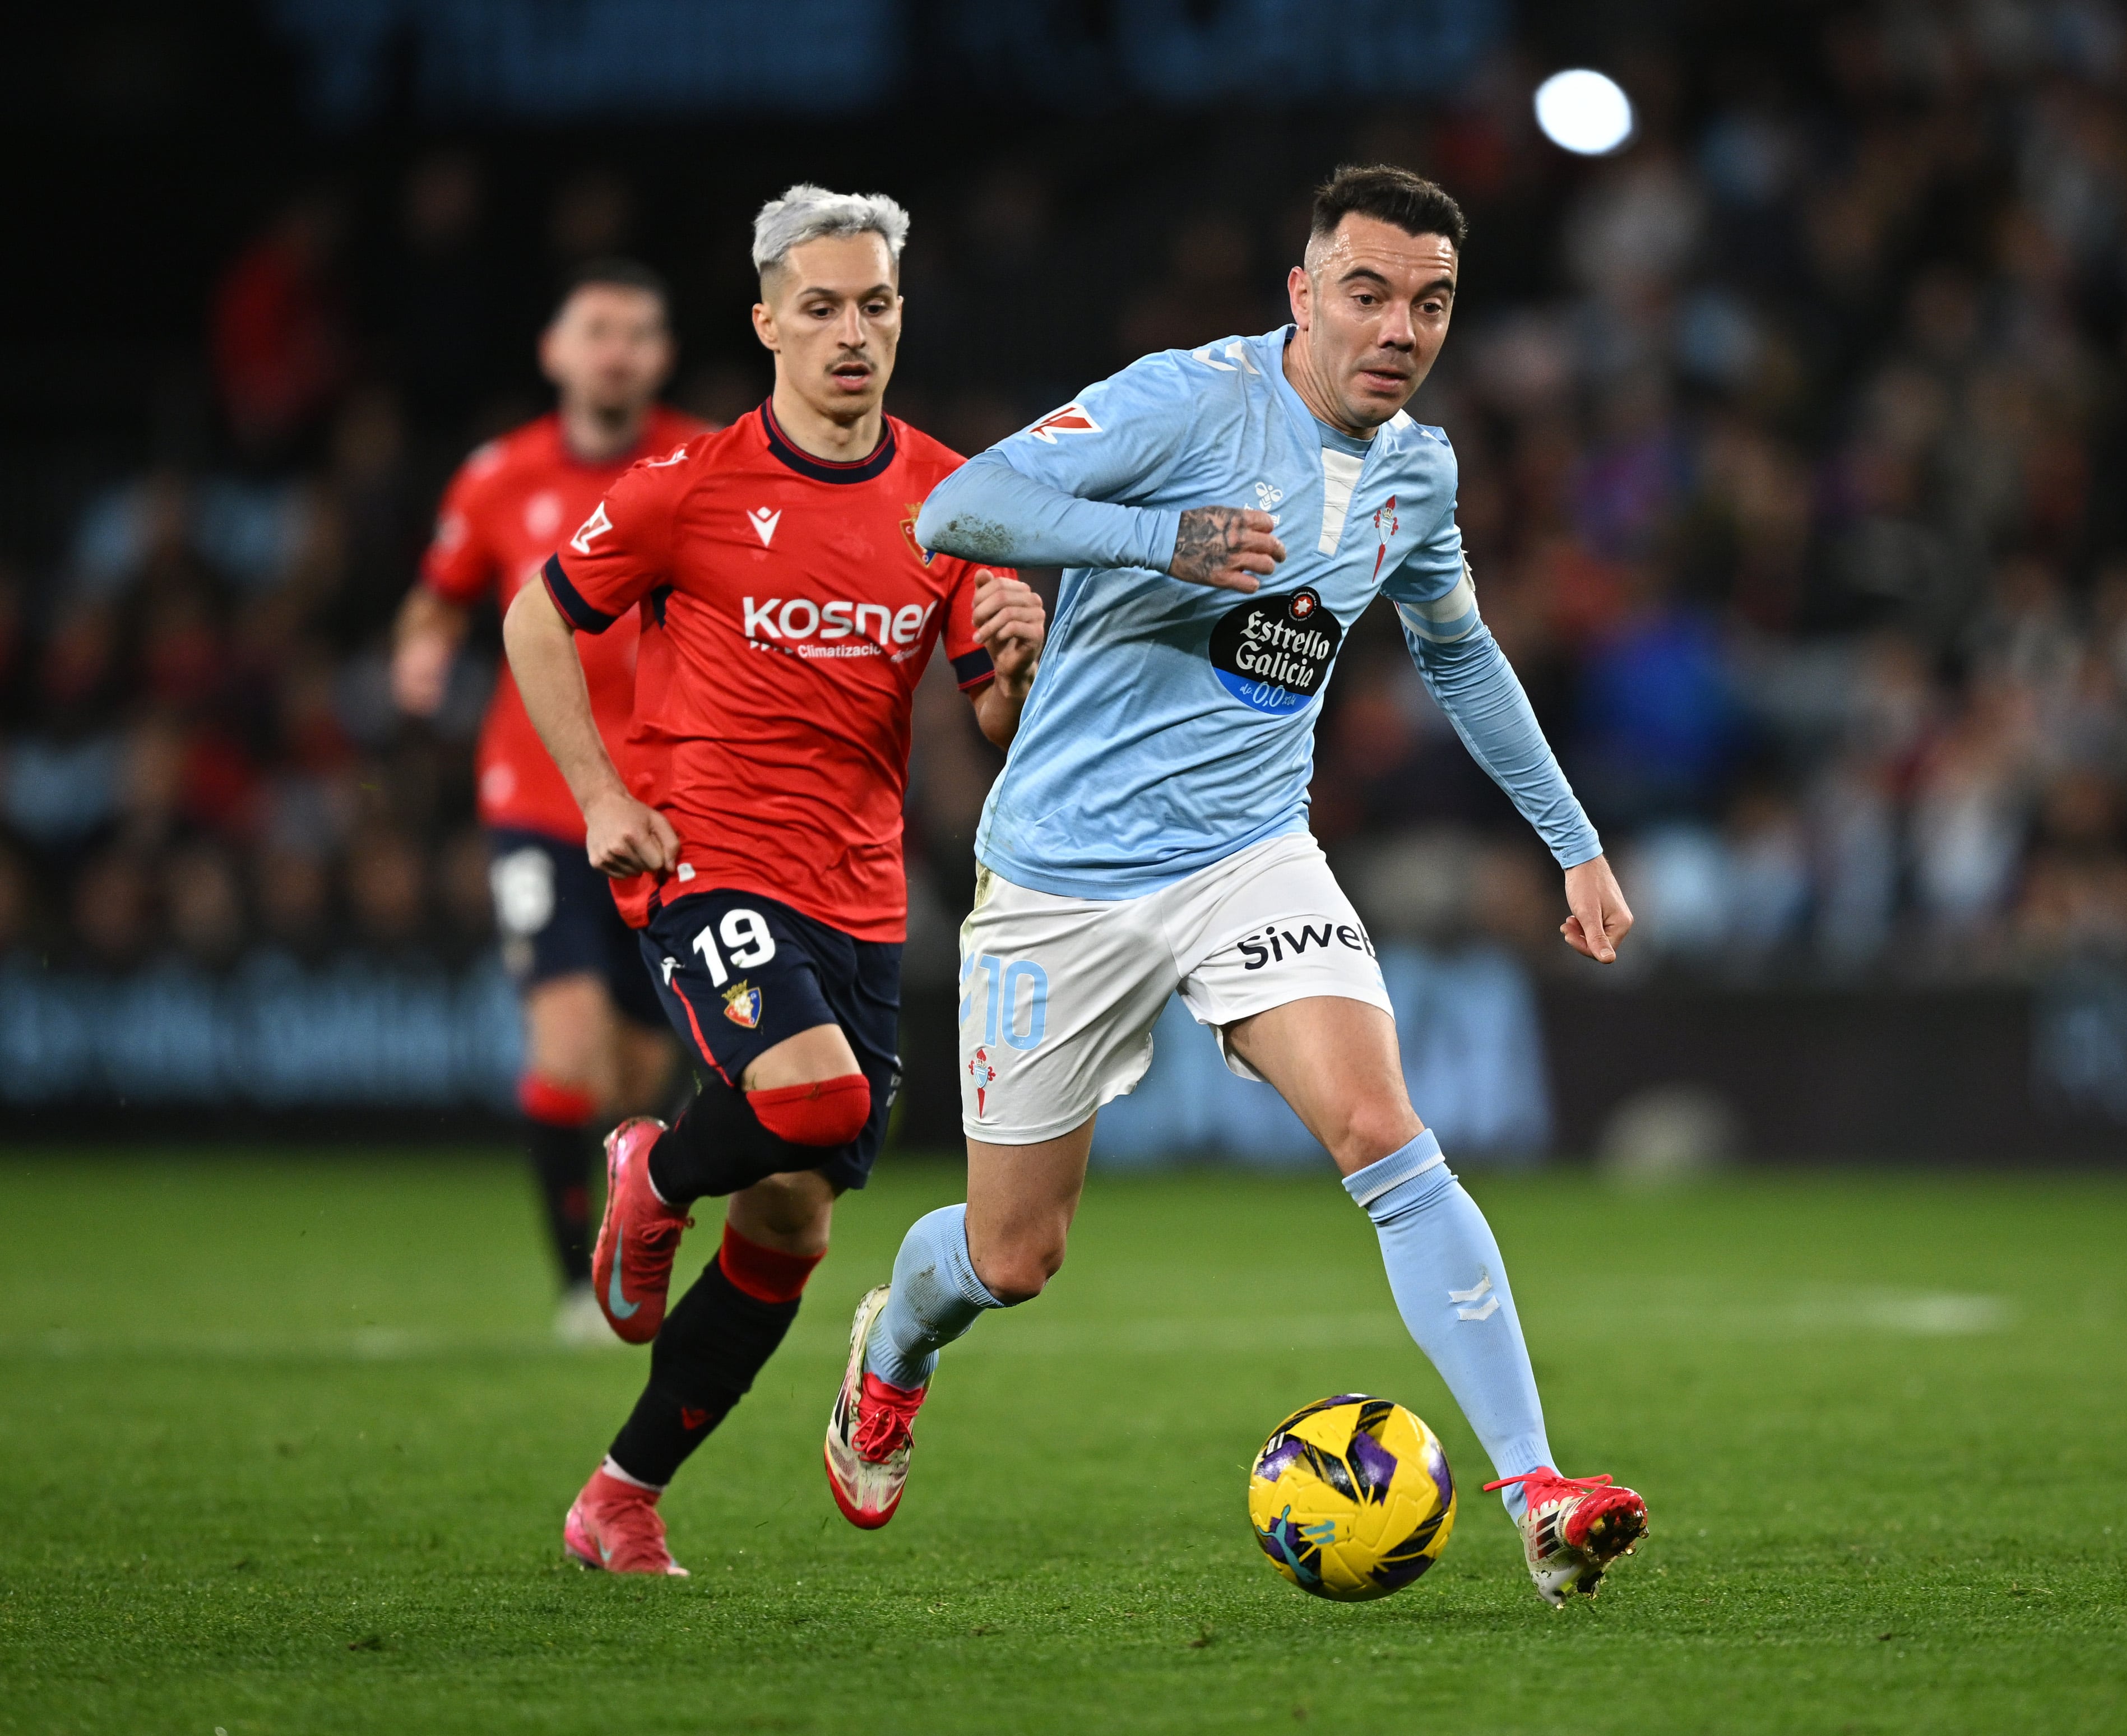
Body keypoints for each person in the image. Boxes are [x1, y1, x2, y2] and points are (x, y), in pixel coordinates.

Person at [826, 165, 1649, 1607]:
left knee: (1386, 1133)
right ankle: (893, 1344)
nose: (1399, 329)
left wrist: (1571, 838)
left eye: (1432, 303)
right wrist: (1164, 539)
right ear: (1304, 295)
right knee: (1014, 1256)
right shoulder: (1187, 402)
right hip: (1065, 874)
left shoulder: (1419, 474)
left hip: (1250, 856)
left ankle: (1537, 1493)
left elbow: (1458, 650)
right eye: (1368, 293)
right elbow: (958, 505)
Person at [502, 184, 1044, 1576]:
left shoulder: (952, 499)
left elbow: (992, 717)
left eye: (875, 305)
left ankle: (620, 1493)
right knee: (819, 1098)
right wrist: (603, 794)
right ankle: (653, 1167)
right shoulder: (690, 487)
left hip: (860, 895)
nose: (852, 333)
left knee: (792, 1221)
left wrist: (1018, 659)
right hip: (707, 864)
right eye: (822, 308)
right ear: (767, 325)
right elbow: (537, 618)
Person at [392, 260, 707, 1345]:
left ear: (661, 357)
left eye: (637, 332)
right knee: (566, 1043)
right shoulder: (497, 477)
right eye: (597, 330)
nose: (616, 351)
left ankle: (624, 1240)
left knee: (639, 1070)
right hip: (535, 798)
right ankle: (579, 1286)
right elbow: (436, 602)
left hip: (664, 800)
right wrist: (422, 653)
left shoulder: (702, 465)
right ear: (556, 352)